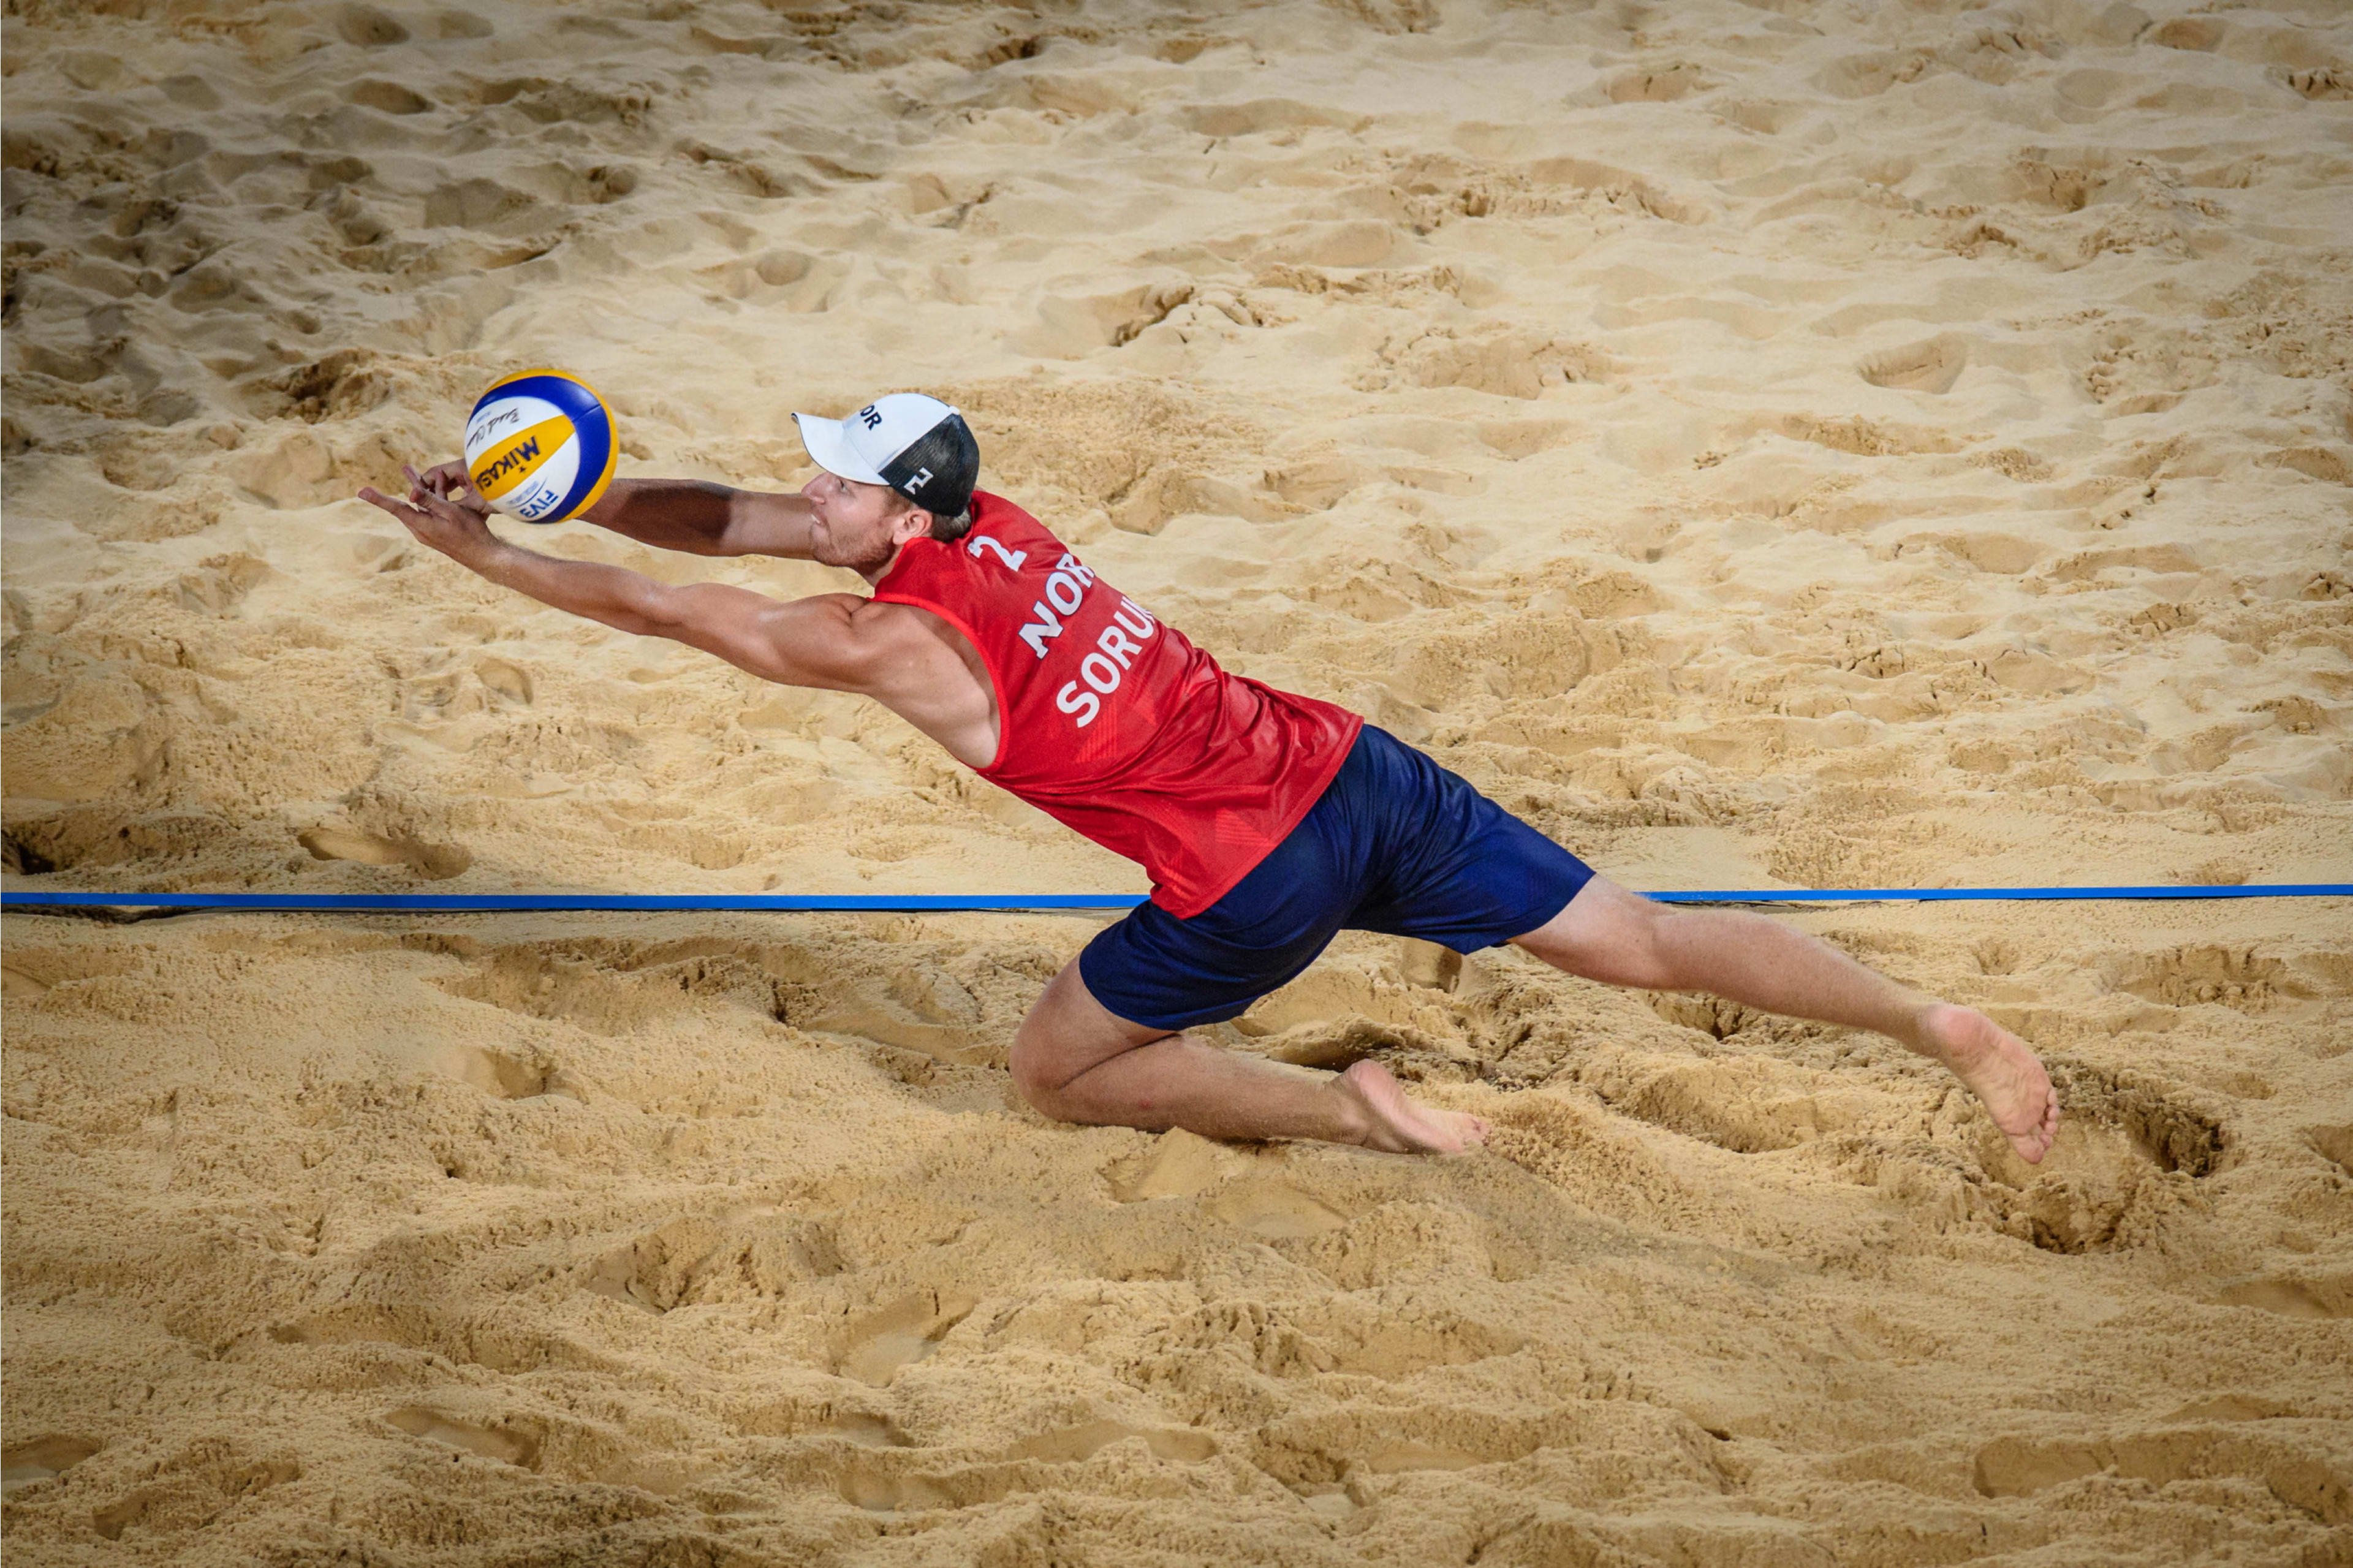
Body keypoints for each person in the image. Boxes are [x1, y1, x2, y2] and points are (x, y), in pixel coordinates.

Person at [358, 392, 2061, 1164]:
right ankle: (1936, 1030)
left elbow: (683, 607)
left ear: (901, 518)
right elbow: (728, 519)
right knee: (1647, 935)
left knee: (1056, 1073)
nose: (809, 498)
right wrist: (569, 483)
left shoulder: (894, 649)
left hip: (1251, 880)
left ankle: (1351, 1113)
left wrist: (479, 556)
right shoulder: (995, 522)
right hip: (1351, 768)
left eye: (837, 486)